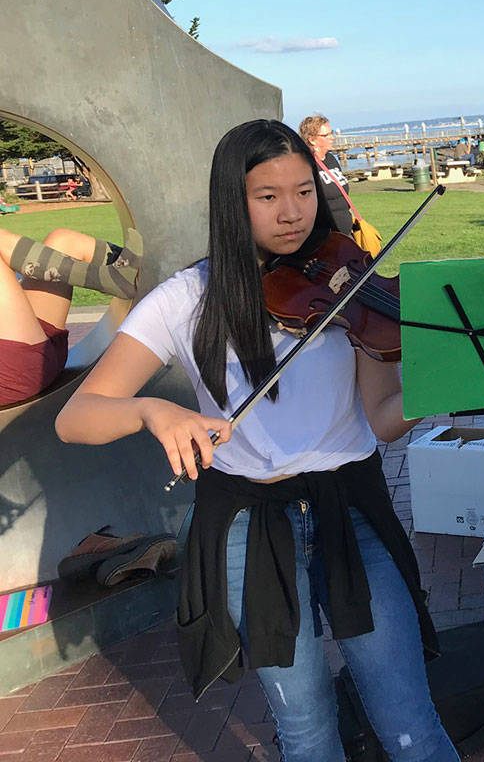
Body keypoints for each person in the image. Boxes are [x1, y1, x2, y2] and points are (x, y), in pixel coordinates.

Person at [56, 120, 458, 762]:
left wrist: (444, 387)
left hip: (352, 507)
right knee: (307, 734)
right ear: (231, 201)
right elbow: (76, 417)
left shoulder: (348, 280)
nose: (292, 212)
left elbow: (383, 417)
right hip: (249, 522)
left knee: (411, 724)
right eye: (268, 196)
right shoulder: (186, 298)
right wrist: (153, 410)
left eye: (304, 191)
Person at [1, 226, 141, 406]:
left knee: (64, 241)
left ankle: (146, 270)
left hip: (33, 348)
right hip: (13, 370)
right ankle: (113, 279)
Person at [298, 113, 353, 235]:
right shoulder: (306, 164)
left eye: (331, 133)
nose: (332, 137)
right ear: (312, 140)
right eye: (326, 135)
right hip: (324, 235)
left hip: (346, 232)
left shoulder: (331, 159)